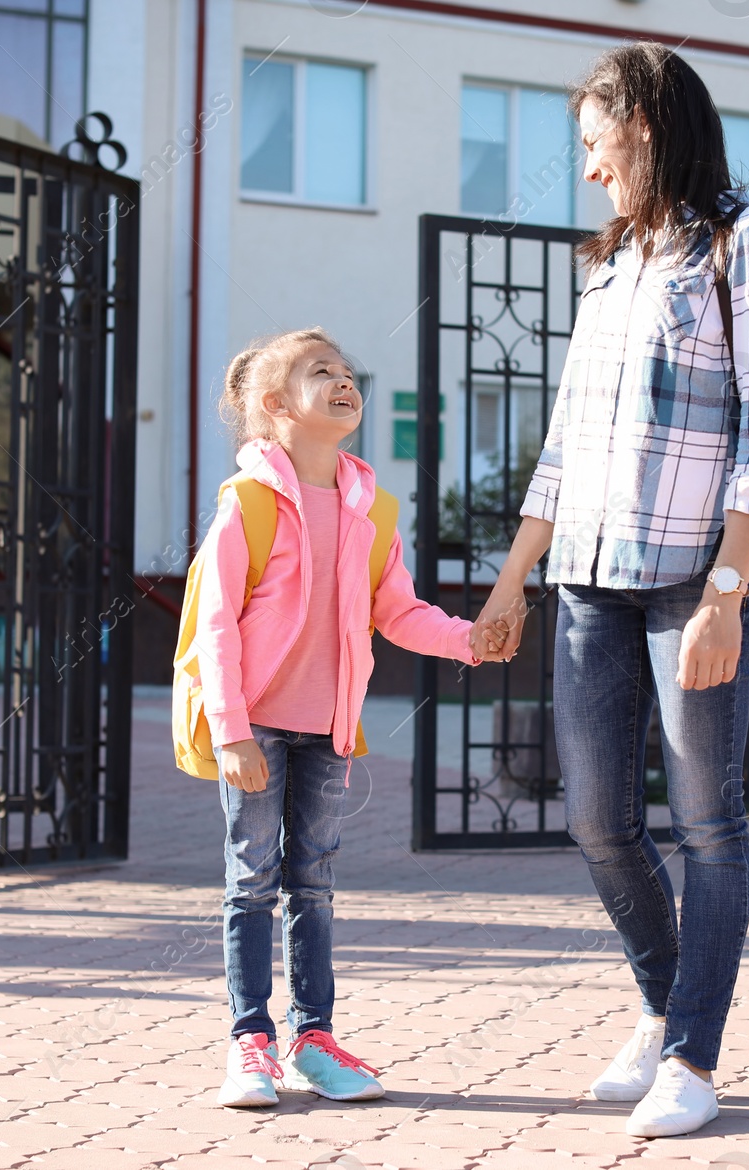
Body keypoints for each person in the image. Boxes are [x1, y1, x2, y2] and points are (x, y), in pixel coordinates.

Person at [472, 43, 749, 1138]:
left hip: (693, 582)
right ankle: (667, 1008)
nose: (585, 172)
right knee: (595, 819)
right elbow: (564, 449)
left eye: (591, 144)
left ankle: (693, 1059)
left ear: (646, 129)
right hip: (587, 582)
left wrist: (727, 589)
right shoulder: (610, 268)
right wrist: (510, 584)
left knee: (707, 821)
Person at [195, 327, 499, 1108]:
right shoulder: (250, 506)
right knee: (251, 881)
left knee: (314, 883)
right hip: (256, 726)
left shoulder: (371, 507)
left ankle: (314, 1040)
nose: (342, 380)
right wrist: (229, 729)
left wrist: (469, 640)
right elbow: (215, 623)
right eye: (318, 371)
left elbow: (398, 611)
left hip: (327, 729)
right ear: (273, 407)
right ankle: (249, 1042)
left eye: (345, 369)